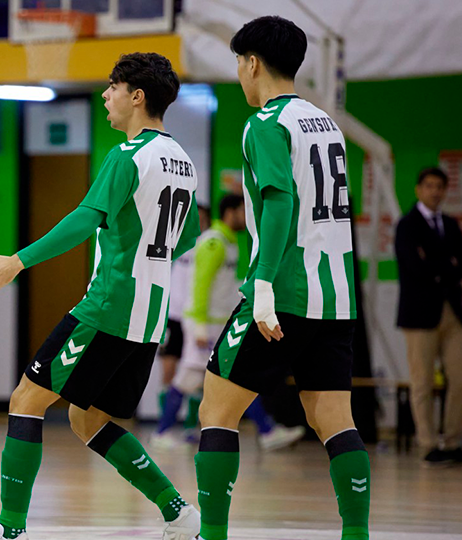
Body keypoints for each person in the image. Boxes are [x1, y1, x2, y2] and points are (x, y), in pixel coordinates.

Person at [0, 52, 202, 540]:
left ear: (137, 96)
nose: (105, 96)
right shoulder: (183, 161)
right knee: (87, 418)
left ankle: (9, 528)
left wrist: (18, 260)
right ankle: (178, 511)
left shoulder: (128, 155)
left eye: (113, 87)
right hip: (150, 315)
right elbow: (189, 233)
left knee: (26, 399)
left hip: (109, 306)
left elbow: (83, 218)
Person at [195, 16, 370, 540]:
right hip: (335, 296)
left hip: (283, 290)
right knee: (335, 420)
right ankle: (356, 535)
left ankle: (213, 533)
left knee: (215, 412)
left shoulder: (265, 123)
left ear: (251, 63)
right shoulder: (326, 121)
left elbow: (277, 200)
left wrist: (264, 285)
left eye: (237, 65)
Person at [152, 194, 305, 452]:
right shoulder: (214, 242)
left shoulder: (230, 241)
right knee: (194, 378)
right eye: (243, 210)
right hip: (205, 325)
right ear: (230, 212)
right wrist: (199, 327)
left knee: (228, 377)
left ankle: (266, 431)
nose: (247, 216)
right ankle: (162, 432)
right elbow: (200, 286)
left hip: (217, 323)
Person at [395, 167, 462, 468]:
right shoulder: (407, 225)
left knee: (461, 378)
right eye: (429, 186)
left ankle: (453, 441)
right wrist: (449, 267)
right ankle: (428, 445)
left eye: (440, 186)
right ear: (418, 189)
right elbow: (415, 267)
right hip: (419, 313)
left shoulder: (451, 225)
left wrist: (441, 266)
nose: (435, 191)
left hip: (452, 312)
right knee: (422, 382)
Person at [150, 205, 207, 448]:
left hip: (193, 318)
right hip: (173, 315)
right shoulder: (173, 242)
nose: (199, 222)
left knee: (197, 375)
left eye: (203, 218)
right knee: (169, 370)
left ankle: (189, 428)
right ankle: (164, 430)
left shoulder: (209, 245)